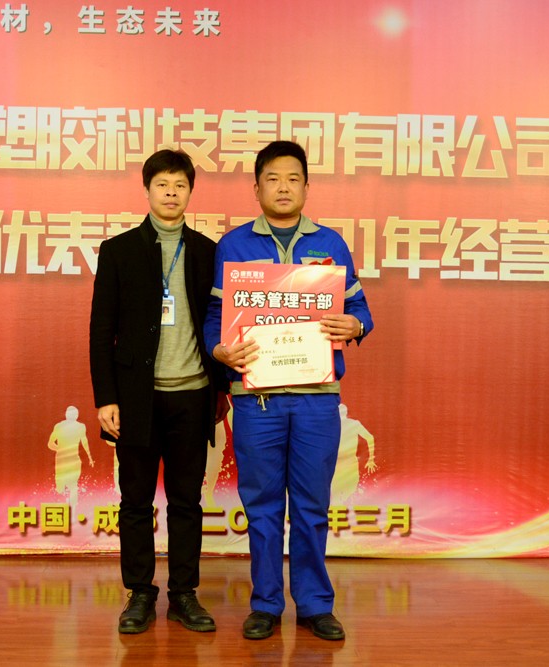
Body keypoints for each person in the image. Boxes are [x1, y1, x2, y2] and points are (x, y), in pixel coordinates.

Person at [204, 140, 373, 641]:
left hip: (317, 397)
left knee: (311, 506)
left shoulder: (331, 243)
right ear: (256, 188)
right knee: (261, 507)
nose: (283, 187)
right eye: (273, 179)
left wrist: (355, 326)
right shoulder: (234, 245)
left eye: (293, 178)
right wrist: (219, 350)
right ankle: (266, 604)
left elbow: (361, 311)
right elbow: (214, 317)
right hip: (256, 400)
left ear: (306, 187)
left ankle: (316, 604)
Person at [90, 149, 224, 635]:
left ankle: (184, 594)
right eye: (162, 185)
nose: (171, 193)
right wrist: (106, 398)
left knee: (187, 501)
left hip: (193, 394)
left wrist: (220, 391)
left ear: (191, 192)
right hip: (137, 399)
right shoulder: (119, 250)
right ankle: (140, 593)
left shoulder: (209, 251)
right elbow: (101, 331)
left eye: (180, 185)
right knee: (136, 502)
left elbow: (221, 323)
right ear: (147, 190)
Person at [46, 405, 95, 510]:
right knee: (69, 485)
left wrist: (60, 449)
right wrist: (89, 457)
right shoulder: (78, 426)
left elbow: (50, 444)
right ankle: (70, 510)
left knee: (65, 485)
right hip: (69, 459)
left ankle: (69, 510)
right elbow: (84, 442)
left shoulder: (62, 426)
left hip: (67, 459)